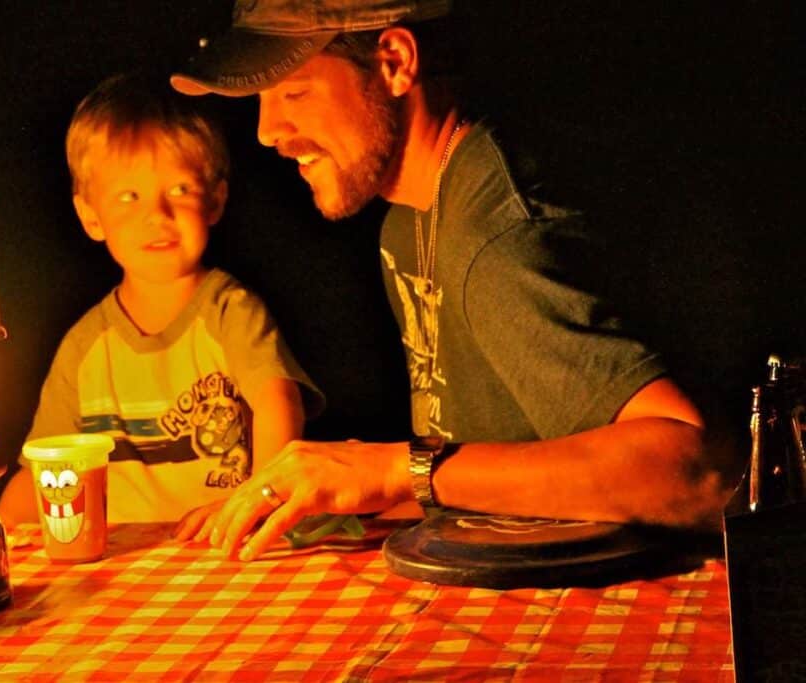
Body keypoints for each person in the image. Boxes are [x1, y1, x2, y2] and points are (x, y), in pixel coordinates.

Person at [170, 0, 734, 561]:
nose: (268, 131)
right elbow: (485, 474)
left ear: (394, 62)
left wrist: (394, 468)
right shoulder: (408, 220)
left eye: (293, 91)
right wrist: (339, 489)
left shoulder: (494, 236)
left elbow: (696, 471)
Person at [0, 71, 322, 538]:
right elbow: (43, 469)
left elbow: (278, 406)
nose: (157, 214)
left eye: (179, 190)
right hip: (126, 572)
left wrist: (256, 505)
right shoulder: (85, 346)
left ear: (215, 200)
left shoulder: (231, 311)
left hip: (228, 552)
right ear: (91, 214)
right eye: (129, 196)